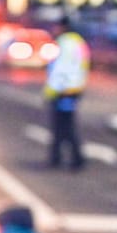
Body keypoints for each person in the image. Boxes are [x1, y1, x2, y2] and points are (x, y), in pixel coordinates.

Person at [42, 12, 91, 170]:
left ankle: (73, 159)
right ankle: (59, 158)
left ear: (63, 27)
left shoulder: (65, 43)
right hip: (72, 90)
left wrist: (53, 92)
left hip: (64, 93)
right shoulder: (78, 42)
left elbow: (60, 71)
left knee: (64, 127)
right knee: (63, 126)